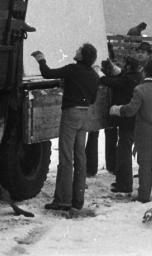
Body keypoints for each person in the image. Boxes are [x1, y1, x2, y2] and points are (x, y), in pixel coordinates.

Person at [32, 43, 99, 211]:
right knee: (80, 157)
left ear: (82, 56)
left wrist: (41, 59)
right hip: (85, 115)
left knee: (65, 157)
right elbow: (92, 99)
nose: (75, 52)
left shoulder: (72, 69)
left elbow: (47, 74)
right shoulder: (94, 75)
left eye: (78, 51)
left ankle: (62, 200)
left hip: (71, 114)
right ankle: (78, 199)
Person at [110, 59, 152, 203]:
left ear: (145, 72)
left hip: (146, 132)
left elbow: (131, 110)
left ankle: (143, 196)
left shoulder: (140, 89)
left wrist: (117, 109)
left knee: (146, 164)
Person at [94, 56, 143, 193]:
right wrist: (114, 69)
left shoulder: (128, 79)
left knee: (124, 153)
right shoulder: (136, 76)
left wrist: (99, 72)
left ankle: (125, 184)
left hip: (127, 120)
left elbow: (110, 82)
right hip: (131, 120)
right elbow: (122, 77)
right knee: (123, 151)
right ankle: (122, 182)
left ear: (128, 67)